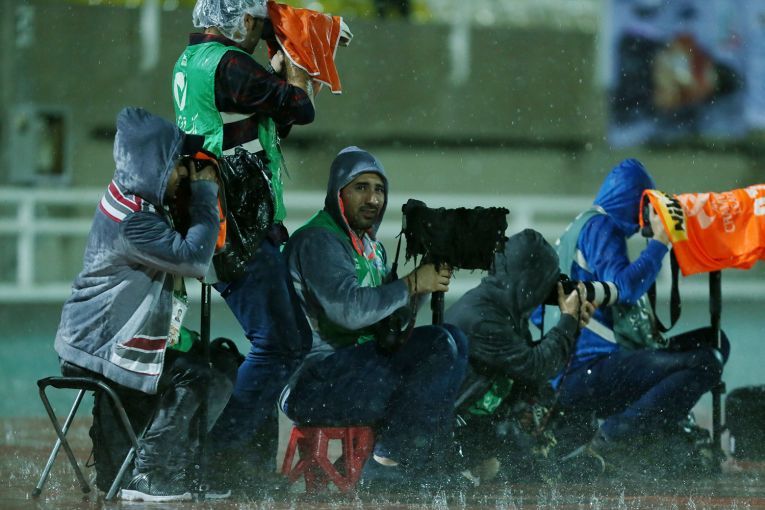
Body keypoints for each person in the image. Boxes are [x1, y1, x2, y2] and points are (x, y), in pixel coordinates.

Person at [54, 107, 235, 502]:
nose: (184, 174)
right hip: (99, 344)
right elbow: (194, 259)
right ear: (153, 167)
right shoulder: (133, 220)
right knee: (197, 376)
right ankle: (151, 473)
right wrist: (206, 194)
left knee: (221, 365)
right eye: (177, 165)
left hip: (103, 335)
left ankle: (175, 466)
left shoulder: (134, 197)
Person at [172, 0, 316, 485]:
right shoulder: (230, 64)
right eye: (262, 27)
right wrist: (297, 68)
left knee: (291, 342)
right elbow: (300, 107)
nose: (263, 36)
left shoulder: (194, 61)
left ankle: (234, 461)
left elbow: (266, 121)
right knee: (279, 343)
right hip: (236, 226)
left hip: (221, 221)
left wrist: (275, 73)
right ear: (245, 20)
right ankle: (219, 460)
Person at [281, 146, 469, 492]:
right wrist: (411, 283)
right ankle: (389, 462)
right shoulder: (319, 241)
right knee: (438, 346)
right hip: (313, 382)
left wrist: (421, 286)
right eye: (361, 187)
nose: (373, 199)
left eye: (379, 189)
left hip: (355, 370)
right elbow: (349, 311)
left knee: (453, 338)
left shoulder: (372, 248)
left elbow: (389, 326)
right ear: (338, 192)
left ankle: (425, 460)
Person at [554, 158, 730, 477]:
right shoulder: (600, 227)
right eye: (645, 207)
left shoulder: (586, 225)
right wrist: (660, 242)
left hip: (581, 368)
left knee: (714, 341)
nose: (644, 219)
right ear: (633, 199)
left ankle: (640, 432)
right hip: (584, 371)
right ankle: (617, 438)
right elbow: (624, 288)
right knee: (706, 362)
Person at [444, 229, 594, 483]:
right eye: (545, 282)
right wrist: (567, 321)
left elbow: (528, 370)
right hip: (448, 431)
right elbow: (535, 366)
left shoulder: (503, 307)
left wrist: (571, 327)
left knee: (575, 419)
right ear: (529, 281)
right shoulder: (482, 318)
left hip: (476, 421)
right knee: (521, 473)